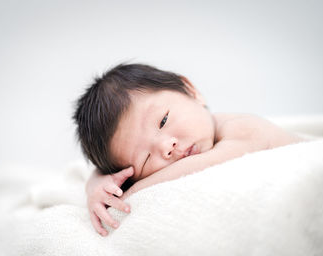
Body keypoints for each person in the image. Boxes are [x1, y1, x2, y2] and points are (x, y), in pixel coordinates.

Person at [72, 63, 303, 236]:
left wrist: (129, 192)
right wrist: (97, 186)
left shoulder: (244, 128)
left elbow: (200, 167)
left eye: (163, 121)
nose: (166, 147)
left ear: (191, 91)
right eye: (146, 159)